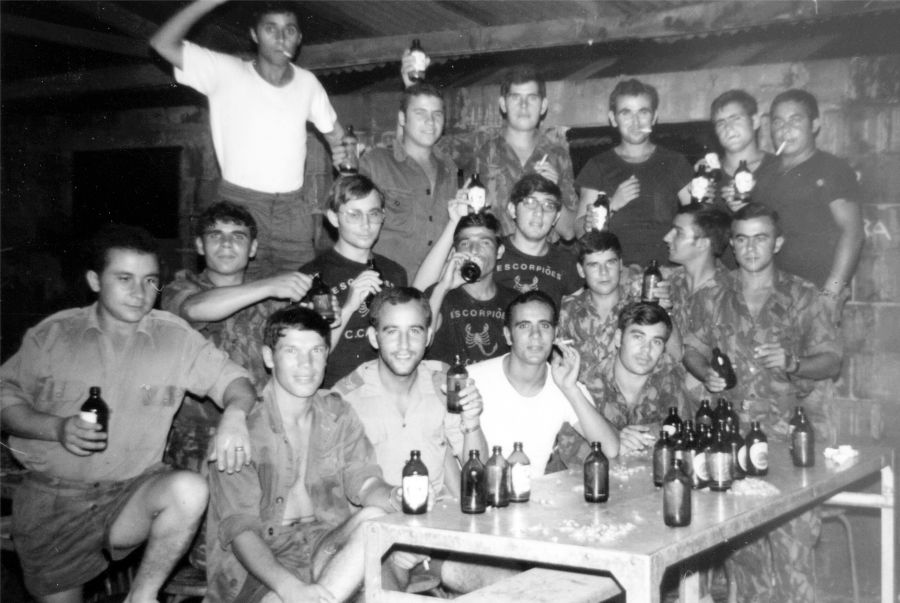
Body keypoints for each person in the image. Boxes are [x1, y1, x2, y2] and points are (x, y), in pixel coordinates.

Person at [0, 224, 255, 603]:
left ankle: (142, 597)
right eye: (124, 279)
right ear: (94, 280)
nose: (139, 292)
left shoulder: (175, 337)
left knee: (188, 490)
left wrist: (235, 414)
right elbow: (6, 401)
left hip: (130, 495)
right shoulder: (54, 335)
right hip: (55, 502)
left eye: (150, 280)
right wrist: (56, 428)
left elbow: (237, 382)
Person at [682, 203, 842, 602]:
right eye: (742, 239)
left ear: (777, 243)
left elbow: (831, 360)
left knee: (794, 559)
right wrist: (706, 372)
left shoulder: (803, 295)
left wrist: (794, 363)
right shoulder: (713, 295)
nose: (751, 248)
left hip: (791, 443)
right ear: (732, 245)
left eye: (760, 238)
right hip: (734, 443)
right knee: (746, 559)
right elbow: (692, 350)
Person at [206, 305, 400, 603]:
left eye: (316, 351)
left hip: (326, 544)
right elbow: (241, 531)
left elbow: (364, 482)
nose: (306, 364)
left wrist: (396, 497)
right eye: (292, 351)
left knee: (374, 517)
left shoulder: (338, 413)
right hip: (263, 566)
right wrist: (291, 589)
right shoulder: (241, 430)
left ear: (326, 354)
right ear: (269, 357)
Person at [150, 0, 347, 278]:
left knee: (301, 290)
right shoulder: (227, 71)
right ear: (254, 35)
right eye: (270, 29)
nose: (281, 38)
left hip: (293, 210)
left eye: (289, 30)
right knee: (240, 291)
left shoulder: (308, 83)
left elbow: (338, 136)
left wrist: (345, 157)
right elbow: (162, 43)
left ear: (299, 38)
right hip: (240, 205)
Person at [332, 287, 489, 593]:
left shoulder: (443, 382)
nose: (404, 345)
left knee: (507, 582)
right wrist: (395, 533)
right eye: (392, 332)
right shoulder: (346, 397)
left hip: (438, 531)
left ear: (428, 336)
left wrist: (472, 422)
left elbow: (477, 468)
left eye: (414, 331)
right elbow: (346, 493)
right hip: (378, 535)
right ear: (374, 337)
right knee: (381, 592)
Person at [468, 290, 621, 473]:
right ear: (508, 335)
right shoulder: (473, 379)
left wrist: (570, 389)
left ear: (555, 334)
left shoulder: (563, 382)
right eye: (524, 326)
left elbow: (610, 449)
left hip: (534, 490)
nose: (536, 335)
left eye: (544, 326)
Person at [754, 88, 864, 320]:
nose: (785, 129)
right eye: (778, 122)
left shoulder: (832, 169)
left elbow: (853, 233)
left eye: (795, 120)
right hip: (772, 293)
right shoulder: (764, 173)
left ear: (814, 125)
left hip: (816, 293)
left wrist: (832, 292)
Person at [300, 175, 407, 388]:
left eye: (373, 214)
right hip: (333, 392)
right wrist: (349, 307)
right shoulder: (314, 276)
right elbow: (309, 355)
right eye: (354, 215)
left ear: (383, 217)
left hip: (384, 390)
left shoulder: (394, 273)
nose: (366, 225)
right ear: (333, 218)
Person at [574, 78, 693, 265]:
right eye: (626, 113)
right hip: (615, 273)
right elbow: (580, 231)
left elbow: (697, 221)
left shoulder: (675, 162)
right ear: (613, 118)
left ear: (654, 117)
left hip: (667, 272)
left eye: (643, 112)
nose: (635, 122)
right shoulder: (597, 166)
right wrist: (610, 206)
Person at [360, 83, 458, 279]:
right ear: (402, 118)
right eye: (420, 113)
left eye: (437, 114)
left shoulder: (451, 169)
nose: (430, 121)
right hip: (386, 285)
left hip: (436, 286)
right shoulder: (375, 163)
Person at [472, 65, 577, 239]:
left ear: (543, 106)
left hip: (544, 255)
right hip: (496, 253)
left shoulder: (558, 155)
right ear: (503, 104)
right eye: (515, 97)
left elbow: (569, 232)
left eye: (532, 98)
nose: (523, 105)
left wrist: (555, 189)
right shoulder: (483, 151)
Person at [577, 302, 687, 456]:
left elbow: (686, 434)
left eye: (656, 342)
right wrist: (614, 439)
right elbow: (571, 453)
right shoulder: (587, 385)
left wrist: (652, 435)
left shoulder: (669, 378)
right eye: (638, 337)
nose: (646, 349)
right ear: (618, 338)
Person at [425, 212, 518, 366]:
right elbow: (420, 342)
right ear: (454, 253)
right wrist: (442, 287)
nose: (474, 250)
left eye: (485, 242)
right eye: (465, 243)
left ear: (499, 251)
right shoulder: (437, 294)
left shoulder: (514, 301)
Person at [558, 231, 639, 380]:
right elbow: (557, 361)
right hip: (578, 393)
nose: (604, 272)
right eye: (594, 265)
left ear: (620, 264)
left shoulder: (640, 307)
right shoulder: (567, 311)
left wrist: (662, 309)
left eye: (610, 263)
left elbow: (675, 355)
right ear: (581, 270)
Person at [493, 174, 583, 307]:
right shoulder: (491, 253)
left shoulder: (566, 263)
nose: (539, 212)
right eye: (530, 203)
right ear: (512, 210)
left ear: (556, 217)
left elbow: (577, 312)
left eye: (548, 205)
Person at [707, 89, 779, 215]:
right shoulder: (710, 176)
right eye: (720, 123)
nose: (728, 128)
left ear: (755, 121)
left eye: (736, 119)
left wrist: (748, 209)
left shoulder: (778, 168)